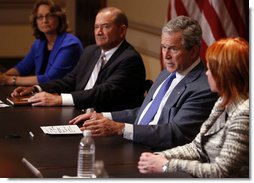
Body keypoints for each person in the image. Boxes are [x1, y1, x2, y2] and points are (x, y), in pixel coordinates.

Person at [69, 16, 219, 149]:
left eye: (173, 49)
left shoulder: (203, 88)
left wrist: (120, 128)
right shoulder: (167, 73)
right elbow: (144, 113)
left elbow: (175, 133)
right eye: (163, 47)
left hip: (159, 157)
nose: (165, 55)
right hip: (136, 145)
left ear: (193, 51)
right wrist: (103, 116)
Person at [137, 37, 249, 178]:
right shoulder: (222, 102)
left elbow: (221, 171)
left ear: (224, 73)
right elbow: (197, 147)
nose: (206, 73)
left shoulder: (245, 113)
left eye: (210, 69)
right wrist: (157, 157)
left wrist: (167, 165)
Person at [11, 7, 146, 112]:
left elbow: (102, 93)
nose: (98, 32)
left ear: (122, 31)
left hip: (105, 125)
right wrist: (37, 88)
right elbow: (70, 80)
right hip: (76, 114)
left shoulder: (130, 60)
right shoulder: (90, 51)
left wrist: (60, 99)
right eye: (96, 27)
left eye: (105, 27)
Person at [0, 0, 83, 86]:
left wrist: (10, 80)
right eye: (40, 17)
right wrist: (4, 76)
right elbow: (22, 68)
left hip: (64, 96)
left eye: (49, 16)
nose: (44, 20)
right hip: (45, 93)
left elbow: (50, 78)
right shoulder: (39, 43)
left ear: (59, 17)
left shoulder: (70, 44)